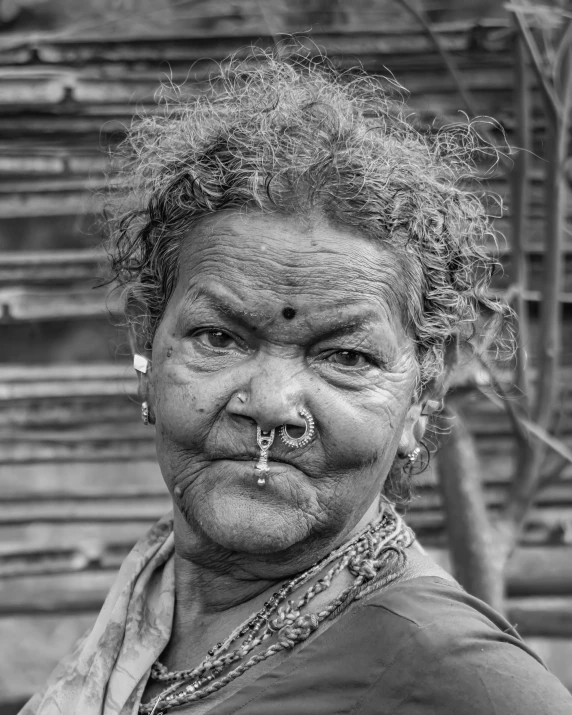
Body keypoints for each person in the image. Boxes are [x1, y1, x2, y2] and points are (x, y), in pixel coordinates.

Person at [20, 47, 572, 715]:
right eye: (220, 338)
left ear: (423, 392)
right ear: (146, 340)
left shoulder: (460, 678)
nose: (273, 405)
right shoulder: (156, 594)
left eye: (345, 356)